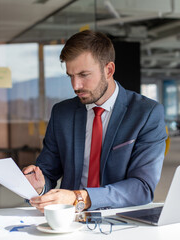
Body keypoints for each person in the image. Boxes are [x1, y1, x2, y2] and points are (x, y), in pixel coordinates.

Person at [23, 30, 167, 212]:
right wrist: (39, 185)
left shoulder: (146, 114)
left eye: (84, 75)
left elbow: (142, 187)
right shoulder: (62, 113)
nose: (76, 86)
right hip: (69, 218)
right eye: (71, 76)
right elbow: (48, 172)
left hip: (120, 217)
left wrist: (80, 197)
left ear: (108, 70)